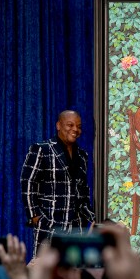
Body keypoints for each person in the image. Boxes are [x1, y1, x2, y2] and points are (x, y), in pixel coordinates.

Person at [20, 110, 96, 257]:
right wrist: (35, 216)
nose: (75, 129)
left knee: (74, 274)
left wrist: (90, 217)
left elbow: (83, 190)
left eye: (79, 126)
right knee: (46, 274)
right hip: (49, 224)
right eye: (70, 125)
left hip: (76, 228)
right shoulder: (42, 149)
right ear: (58, 125)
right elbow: (28, 181)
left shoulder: (82, 155)